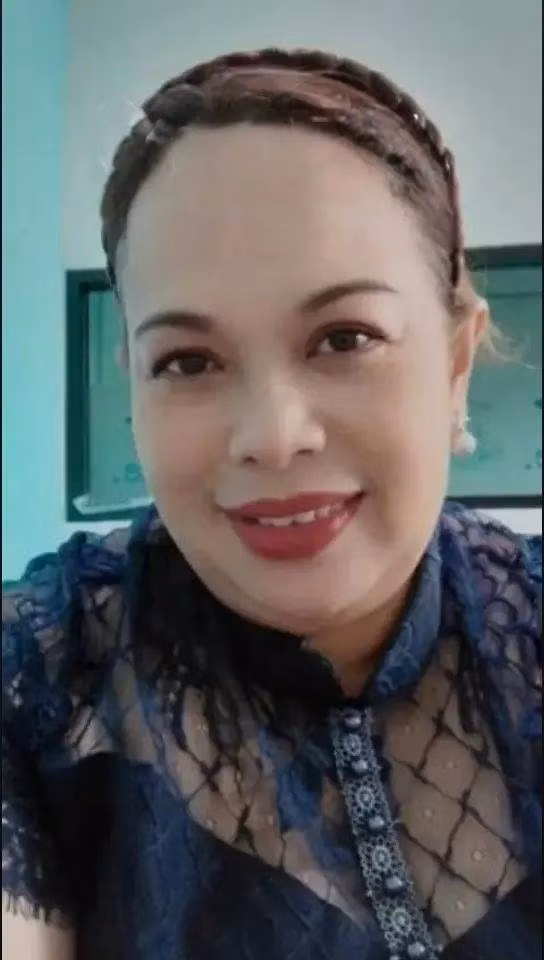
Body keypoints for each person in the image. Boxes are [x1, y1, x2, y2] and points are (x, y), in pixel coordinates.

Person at [2, 47, 541, 960]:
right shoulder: (41, 680)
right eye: (188, 361)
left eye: (345, 337)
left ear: (455, 364)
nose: (273, 435)